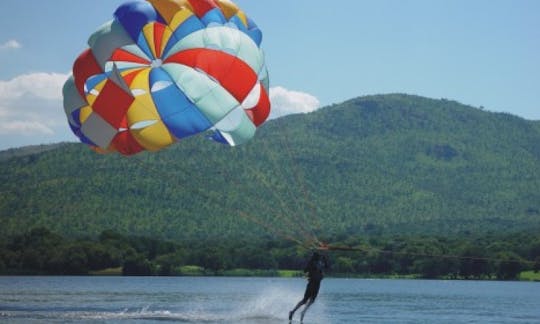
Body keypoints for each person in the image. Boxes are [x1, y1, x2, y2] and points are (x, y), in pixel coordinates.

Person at [289, 251, 328, 322]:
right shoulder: (316, 264)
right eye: (319, 257)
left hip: (314, 284)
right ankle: (299, 311)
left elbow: (325, 266)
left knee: (307, 300)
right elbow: (325, 266)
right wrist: (324, 258)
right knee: (309, 300)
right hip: (313, 285)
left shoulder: (316, 263)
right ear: (317, 258)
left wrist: (324, 258)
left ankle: (296, 311)